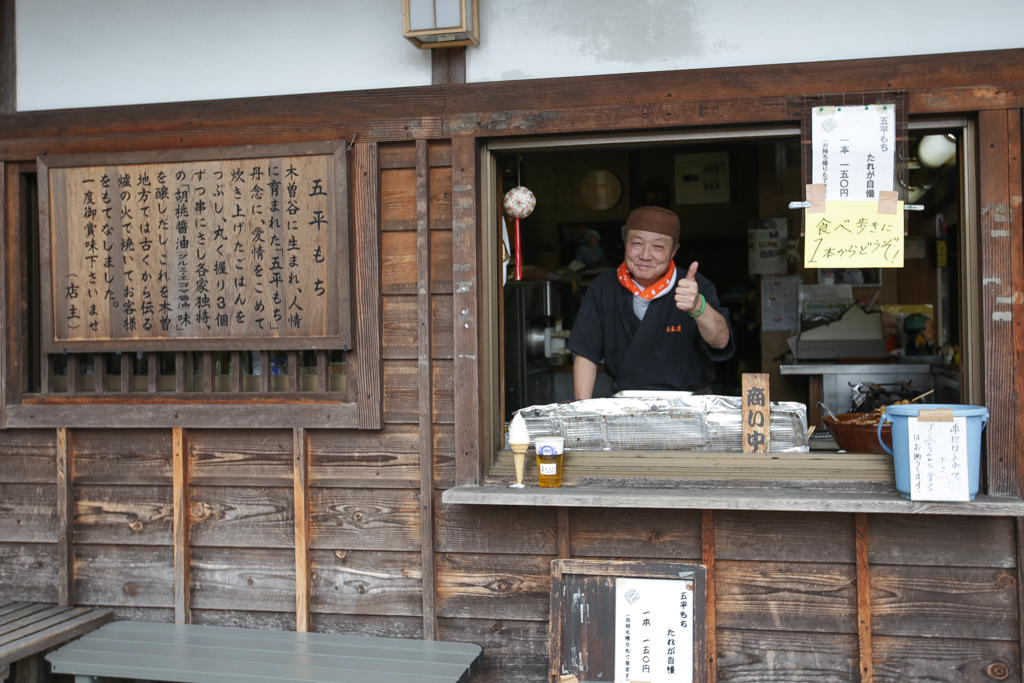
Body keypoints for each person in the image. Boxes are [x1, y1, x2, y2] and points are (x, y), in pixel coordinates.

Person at [567, 206, 734, 398]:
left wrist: (698, 307)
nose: (645, 255)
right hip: (626, 407)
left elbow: (721, 341)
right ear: (625, 243)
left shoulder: (694, 286)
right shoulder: (603, 287)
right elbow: (586, 352)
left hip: (690, 406)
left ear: (674, 251)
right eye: (637, 244)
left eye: (658, 247)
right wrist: (580, 410)